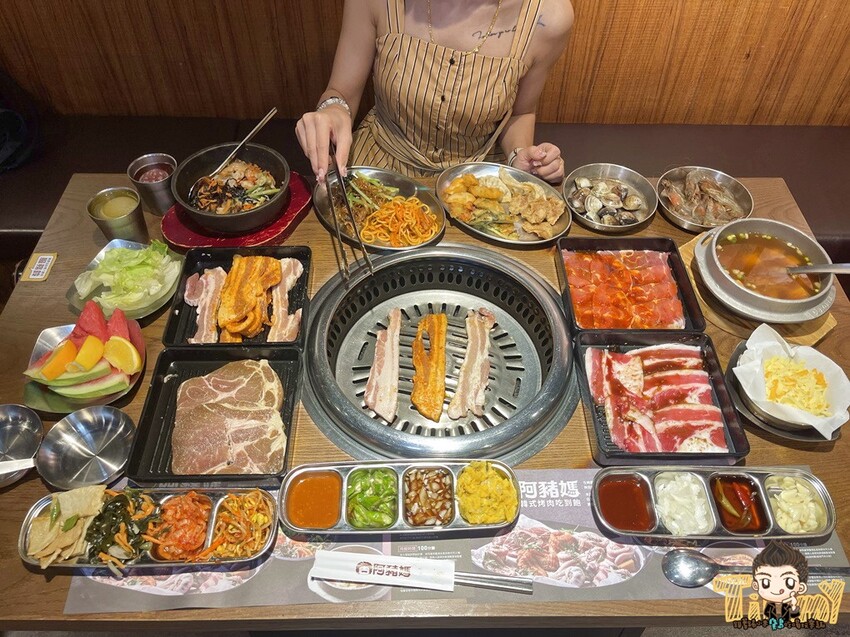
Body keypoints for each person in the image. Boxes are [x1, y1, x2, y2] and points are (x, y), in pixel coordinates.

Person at [296, 0, 573, 183]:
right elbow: (340, 91)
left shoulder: (548, 17)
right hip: (378, 174)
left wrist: (520, 156)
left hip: (476, 188)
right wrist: (332, 111)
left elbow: (521, 113)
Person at [751, 541, 809, 625]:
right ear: (755, 585)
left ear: (801, 587)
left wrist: (793, 605)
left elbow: (795, 616)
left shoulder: (792, 604)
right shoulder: (765, 606)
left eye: (789, 583)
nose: (776, 589)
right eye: (765, 583)